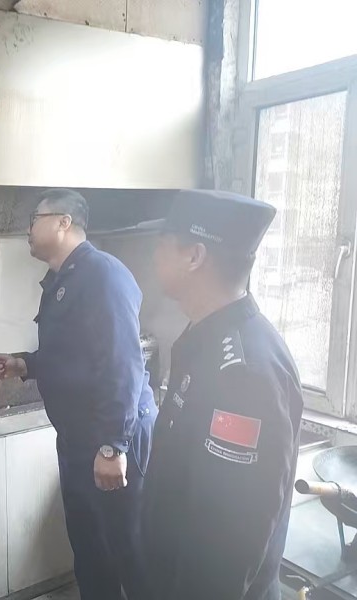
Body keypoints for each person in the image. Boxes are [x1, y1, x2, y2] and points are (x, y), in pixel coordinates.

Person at [0, 188, 157, 600]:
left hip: (109, 439)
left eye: (35, 218)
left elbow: (123, 363)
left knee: (129, 552)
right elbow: (73, 354)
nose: (28, 228)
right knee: (90, 551)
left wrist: (112, 446)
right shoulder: (63, 279)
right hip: (79, 440)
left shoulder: (104, 275)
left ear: (64, 222)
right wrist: (26, 365)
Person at [142, 190, 303, 600]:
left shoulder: (243, 374)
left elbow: (229, 540)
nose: (154, 256)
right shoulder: (206, 337)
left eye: (162, 244)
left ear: (194, 256)